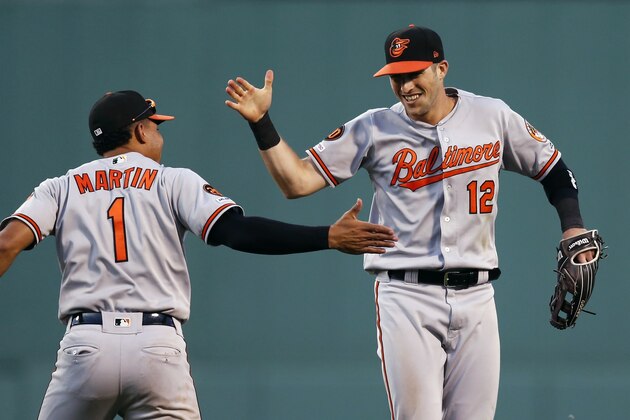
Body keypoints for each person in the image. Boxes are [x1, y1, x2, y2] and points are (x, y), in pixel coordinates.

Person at [225, 24, 595, 420]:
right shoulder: (374, 126)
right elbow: (296, 182)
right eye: (396, 77)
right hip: (407, 297)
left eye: (414, 73)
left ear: (441, 69)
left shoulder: (492, 115)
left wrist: (572, 226)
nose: (405, 86)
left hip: (478, 298)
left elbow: (554, 169)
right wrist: (261, 123)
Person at [0, 90, 397, 420]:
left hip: (85, 344)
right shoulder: (172, 180)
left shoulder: (60, 187)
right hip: (156, 346)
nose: (159, 133)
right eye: (155, 125)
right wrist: (327, 236)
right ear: (139, 130)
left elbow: (6, 244)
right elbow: (237, 232)